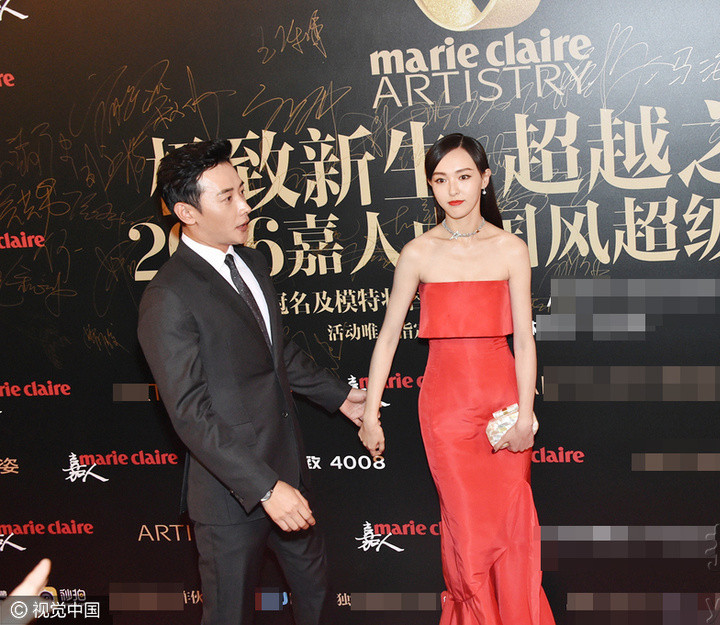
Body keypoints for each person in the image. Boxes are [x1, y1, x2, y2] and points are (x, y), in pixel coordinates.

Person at [137, 139, 367, 625]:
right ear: (187, 212)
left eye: (242, 191)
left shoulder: (253, 262)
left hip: (290, 475)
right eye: (228, 197)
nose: (245, 206)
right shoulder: (167, 297)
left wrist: (341, 397)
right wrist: (266, 489)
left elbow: (274, 354)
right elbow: (190, 415)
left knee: (319, 603)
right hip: (231, 498)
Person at [358, 133, 555, 624]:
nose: (453, 190)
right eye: (441, 180)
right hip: (446, 413)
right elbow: (387, 338)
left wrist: (526, 417)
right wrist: (370, 414)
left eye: (464, 177)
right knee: (467, 533)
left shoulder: (510, 249)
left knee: (511, 530)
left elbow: (524, 340)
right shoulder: (418, 253)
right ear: (431, 186)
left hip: (504, 408)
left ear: (484, 179)